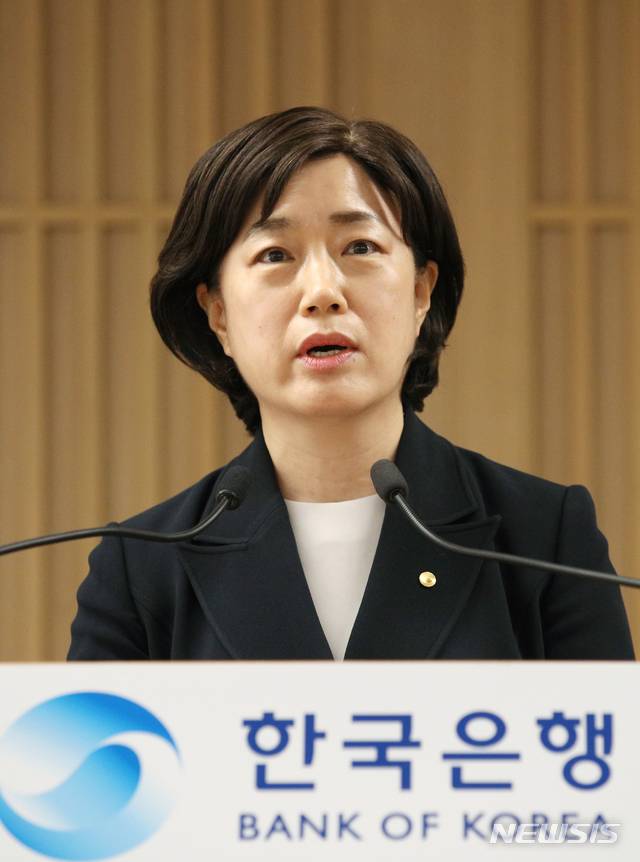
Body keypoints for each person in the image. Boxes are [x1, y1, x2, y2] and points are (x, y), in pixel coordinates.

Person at [68, 106, 634, 661]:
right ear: (218, 314)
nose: (323, 291)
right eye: (275, 254)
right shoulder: (141, 569)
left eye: (360, 247)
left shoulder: (544, 539)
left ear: (421, 292)